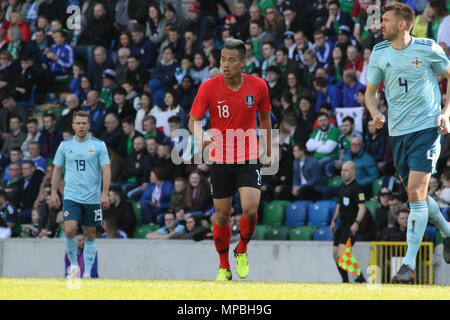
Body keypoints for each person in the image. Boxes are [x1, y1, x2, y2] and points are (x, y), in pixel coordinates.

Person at [364, 3, 450, 283]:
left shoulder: (428, 49)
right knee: (419, 197)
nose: (380, 24)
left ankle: (407, 266)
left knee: (415, 192)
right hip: (396, 133)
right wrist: (375, 113)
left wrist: (446, 113)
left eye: (386, 20)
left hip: (426, 128)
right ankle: (448, 231)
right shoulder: (379, 53)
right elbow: (370, 93)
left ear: (402, 24)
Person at [188, 38, 272, 281]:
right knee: (222, 215)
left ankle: (242, 249)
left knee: (250, 210)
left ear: (243, 62)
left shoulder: (258, 86)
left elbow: (264, 119)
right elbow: (192, 121)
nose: (225, 64)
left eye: (231, 60)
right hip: (220, 158)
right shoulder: (208, 87)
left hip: (249, 156)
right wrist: (200, 135)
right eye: (223, 59)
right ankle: (224, 266)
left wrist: (267, 149)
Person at [50, 110, 111, 279]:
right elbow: (56, 169)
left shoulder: (99, 145)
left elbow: (106, 170)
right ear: (73, 125)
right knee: (69, 230)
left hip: (92, 197)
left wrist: (105, 193)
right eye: (78, 123)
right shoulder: (65, 146)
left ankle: (87, 273)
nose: (81, 126)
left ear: (89, 125)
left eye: (84, 123)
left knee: (90, 234)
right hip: (71, 196)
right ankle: (74, 266)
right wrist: (54, 192)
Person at [330, 161, 366, 283]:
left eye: (346, 170)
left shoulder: (357, 188)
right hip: (342, 223)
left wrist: (356, 223)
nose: (343, 173)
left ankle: (359, 277)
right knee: (335, 255)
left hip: (351, 225)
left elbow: (362, 208)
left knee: (342, 254)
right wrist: (334, 220)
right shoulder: (343, 186)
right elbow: (339, 205)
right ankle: (345, 281)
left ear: (353, 172)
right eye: (342, 170)